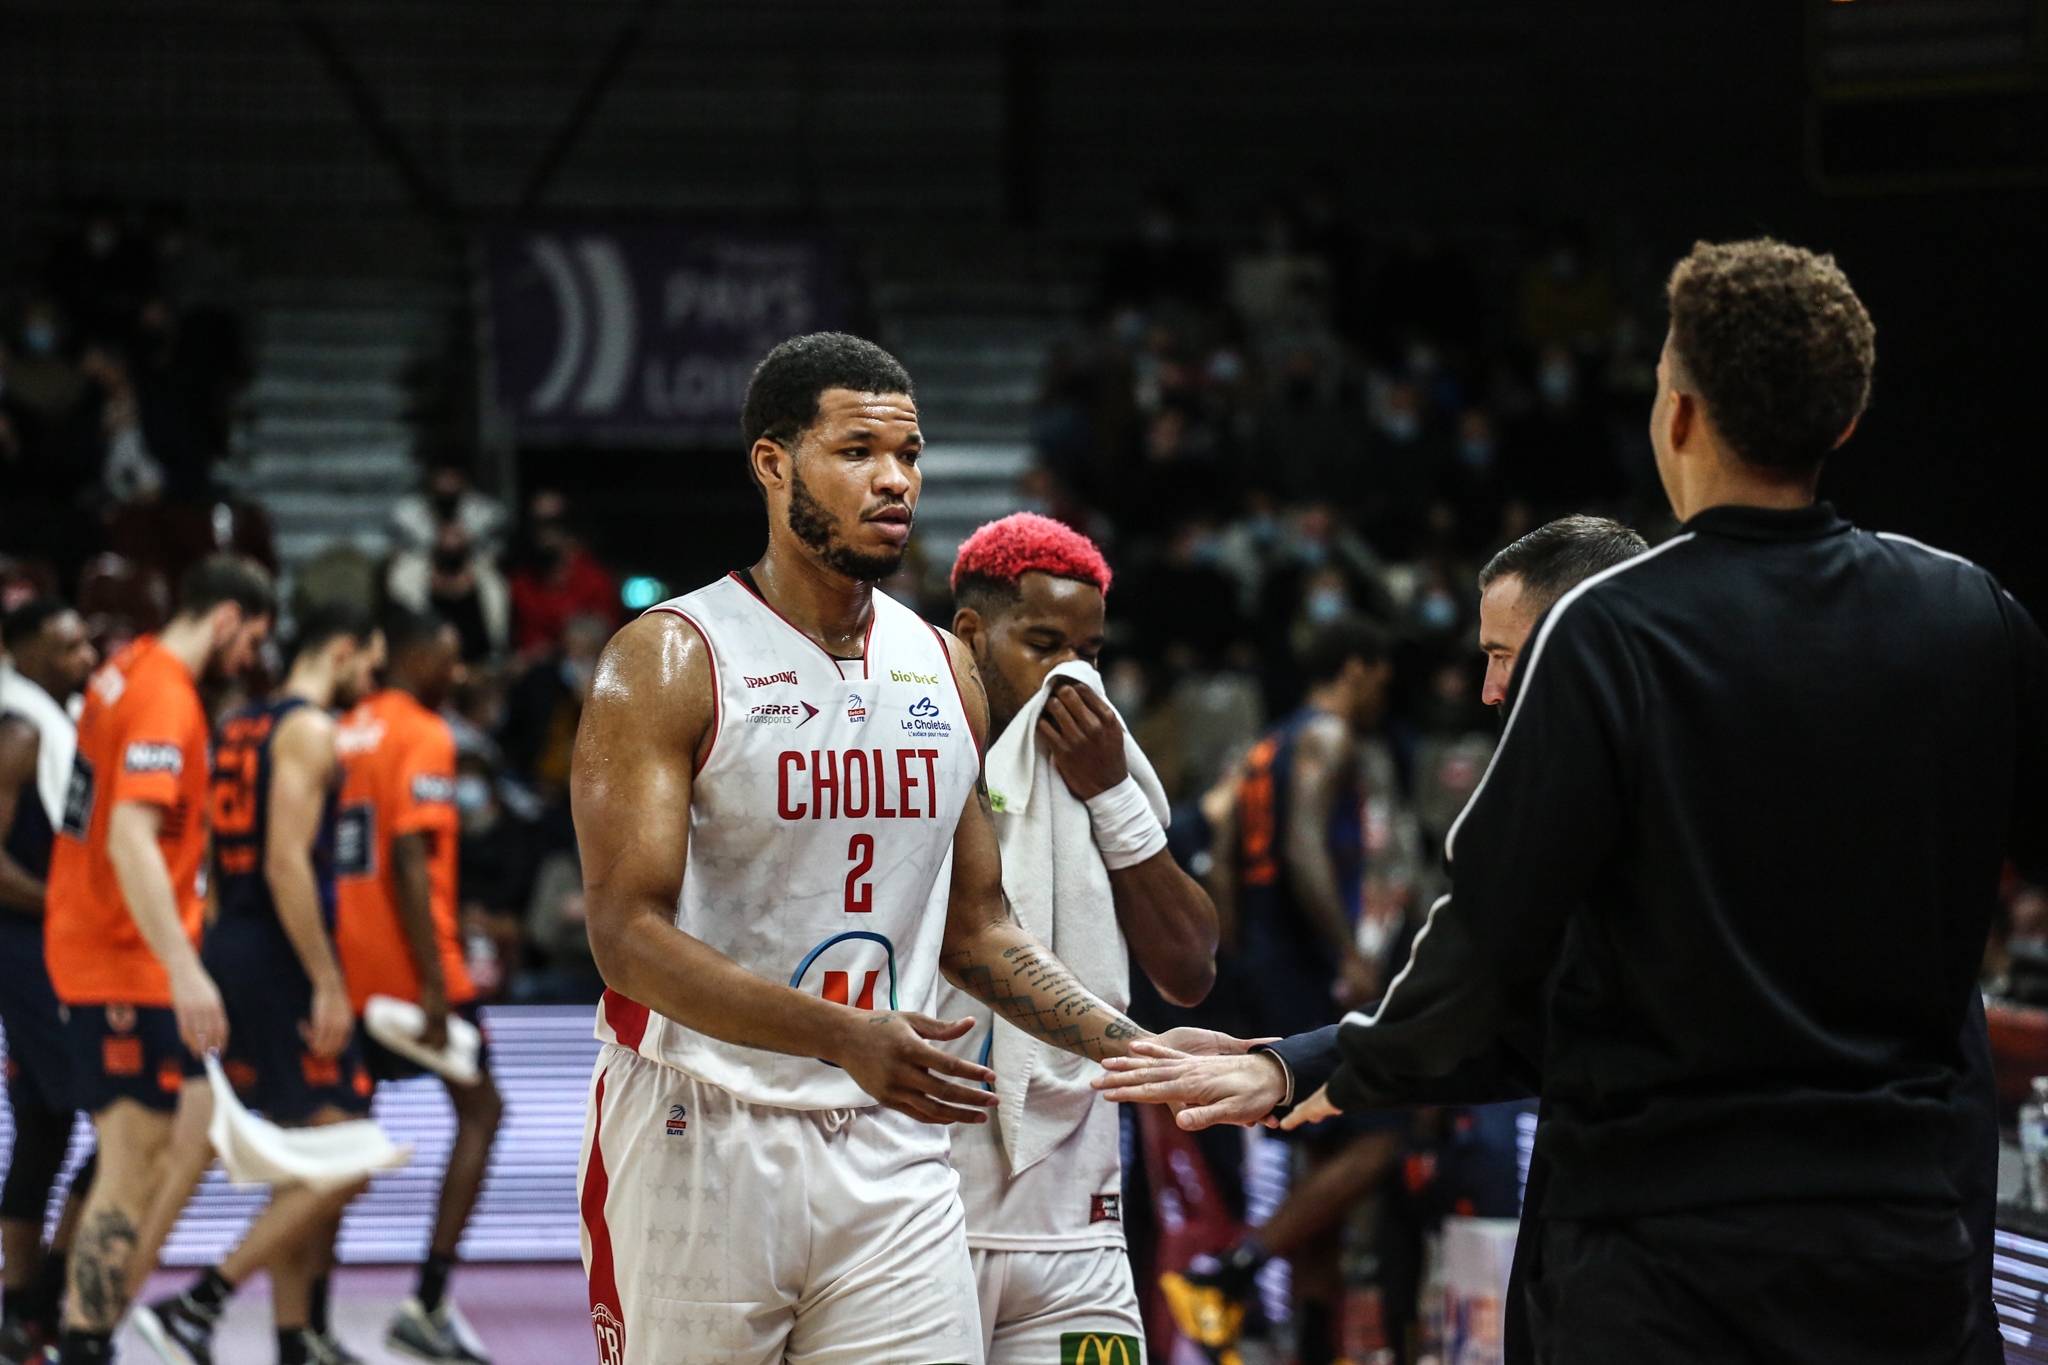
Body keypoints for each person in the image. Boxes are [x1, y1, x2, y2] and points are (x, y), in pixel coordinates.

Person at [1100, 239, 2047, 1362]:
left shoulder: (1610, 630)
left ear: (1678, 417)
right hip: (1906, 1240)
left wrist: (1326, 1063)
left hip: (1666, 1258)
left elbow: (1491, 949)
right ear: (1843, 422)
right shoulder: (1969, 617)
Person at [569, 332, 1195, 1365]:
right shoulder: (671, 657)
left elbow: (979, 931)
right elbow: (625, 936)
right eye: (856, 451)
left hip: (890, 1143)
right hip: (702, 1125)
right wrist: (839, 1033)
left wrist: (1139, 1055)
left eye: (908, 455)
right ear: (773, 464)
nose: (893, 480)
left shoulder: (942, 666)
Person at [938, 512, 1220, 1365]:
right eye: (1042, 642)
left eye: (1089, 651)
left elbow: (1189, 967)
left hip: (1077, 1220)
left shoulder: (1101, 764)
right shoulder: (912, 756)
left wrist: (1111, 796)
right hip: (924, 1212)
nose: (1072, 675)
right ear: (972, 635)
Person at [130, 603, 384, 1365]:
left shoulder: (238, 722)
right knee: (348, 1152)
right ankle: (197, 1302)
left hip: (228, 940)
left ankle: (290, 1336)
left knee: (304, 1151)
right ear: (340, 650)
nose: (369, 685)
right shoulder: (308, 730)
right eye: (369, 666)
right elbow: (285, 863)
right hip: (277, 956)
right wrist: (327, 981)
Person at [42, 556, 273, 1365]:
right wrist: (183, 966)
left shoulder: (122, 668)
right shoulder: (165, 697)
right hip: (120, 958)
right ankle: (81, 1343)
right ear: (224, 618)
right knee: (134, 1157)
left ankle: (63, 1320)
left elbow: (89, 816)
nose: (248, 661)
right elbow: (128, 836)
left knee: (133, 1149)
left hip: (92, 942)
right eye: (250, 640)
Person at [332, 609, 502, 1364]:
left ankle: (300, 1320)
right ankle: (427, 1300)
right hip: (414, 971)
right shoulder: (425, 732)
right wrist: (436, 982)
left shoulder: (348, 726)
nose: (458, 672)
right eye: (451, 655)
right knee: (483, 1109)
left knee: (335, 1141)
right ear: (418, 654)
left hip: (346, 967)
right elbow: (407, 855)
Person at [0, 600, 99, 1364]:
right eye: (65, 646)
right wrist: (73, 907)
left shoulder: (54, 723)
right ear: (21, 650)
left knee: (45, 1129)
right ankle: (46, 1294)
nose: (83, 657)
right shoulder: (22, 730)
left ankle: (22, 1308)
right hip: (34, 952)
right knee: (125, 1118)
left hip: (42, 947)